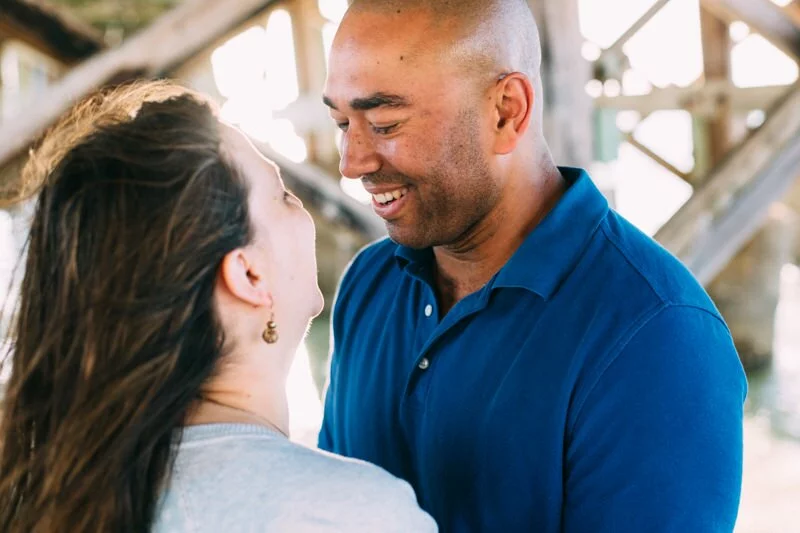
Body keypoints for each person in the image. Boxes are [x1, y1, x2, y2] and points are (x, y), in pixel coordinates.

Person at [318, 1, 747, 531]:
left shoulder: (658, 334)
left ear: (506, 110)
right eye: (341, 122)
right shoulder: (370, 282)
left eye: (384, 124)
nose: (350, 162)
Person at [0, 81, 437, 533]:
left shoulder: (37, 500)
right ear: (249, 276)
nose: (302, 209)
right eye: (283, 197)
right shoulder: (351, 514)